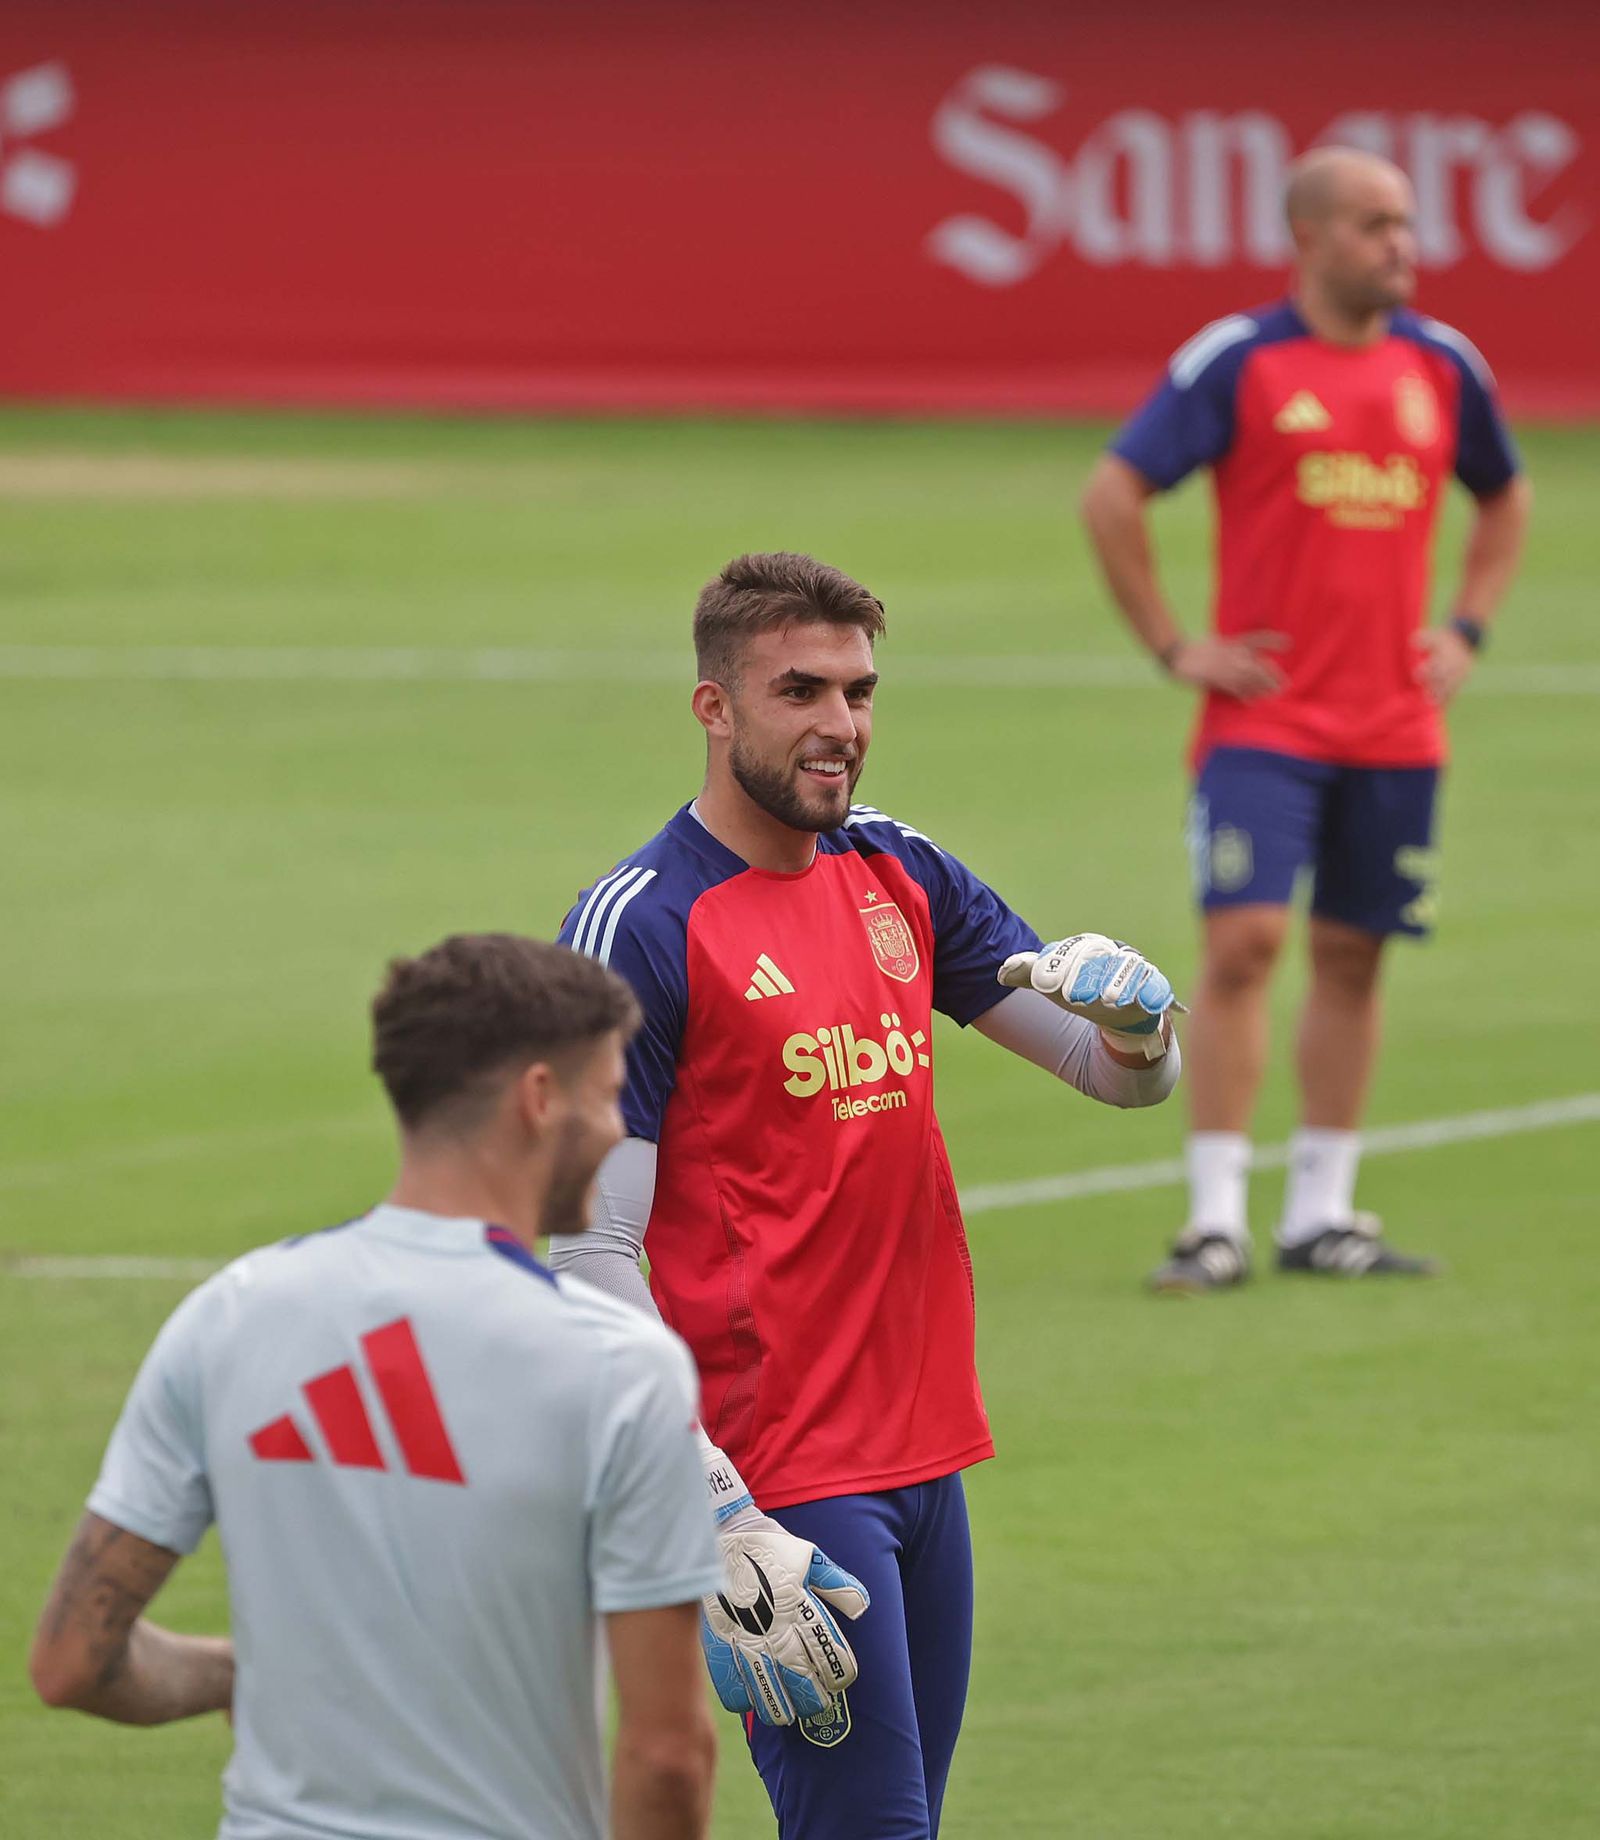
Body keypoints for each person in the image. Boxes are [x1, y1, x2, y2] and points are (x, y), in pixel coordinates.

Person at [551, 550, 1183, 1840]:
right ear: (713, 708)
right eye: (801, 690)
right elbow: (583, 1236)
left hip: (921, 1447)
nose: (842, 726)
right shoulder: (645, 921)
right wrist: (706, 1498)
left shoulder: (898, 871)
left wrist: (1141, 1030)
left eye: (859, 691)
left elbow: (1113, 1082)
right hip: (774, 1475)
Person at [30, 933, 722, 1840]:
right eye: (606, 1098)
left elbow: (72, 1660)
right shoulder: (617, 1367)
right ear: (539, 1100)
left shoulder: (230, 1315)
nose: (615, 1130)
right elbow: (668, 1757)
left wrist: (234, 1671)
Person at [1080, 146, 1531, 1291]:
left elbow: (1505, 492)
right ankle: (1215, 1218)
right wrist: (1177, 645)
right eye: (1378, 223)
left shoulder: (1442, 365)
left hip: (1393, 725)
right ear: (1313, 237)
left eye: (1408, 224)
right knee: (1244, 943)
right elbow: (1113, 491)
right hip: (1265, 722)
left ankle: (1322, 1212)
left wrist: (1464, 628)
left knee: (1353, 950)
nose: (1403, 246)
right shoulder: (1242, 361)